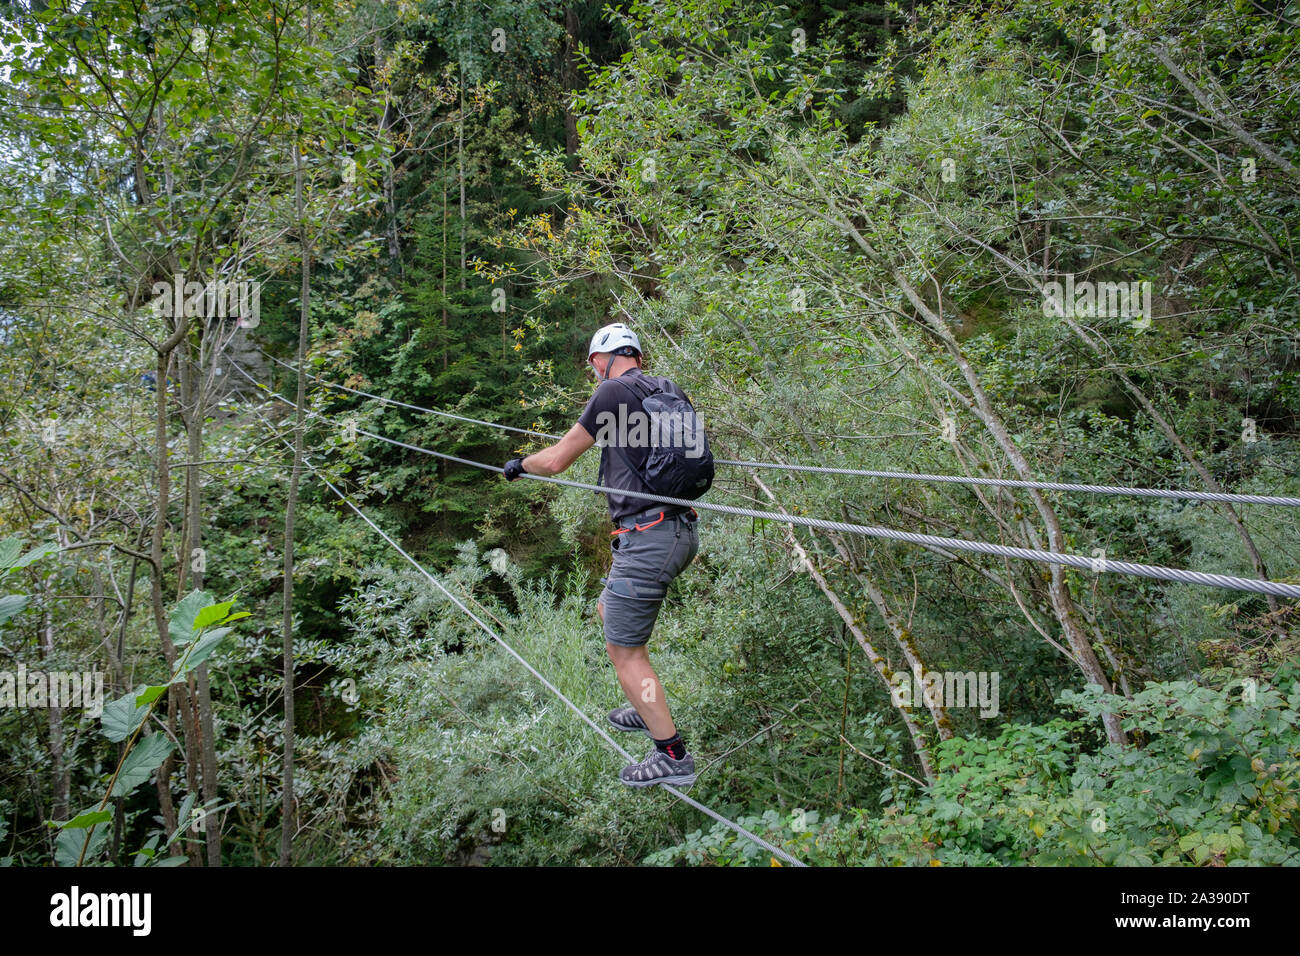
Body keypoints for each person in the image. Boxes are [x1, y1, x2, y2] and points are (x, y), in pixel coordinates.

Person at [502, 322, 700, 788]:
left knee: (624, 652)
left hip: (649, 535)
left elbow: (555, 461)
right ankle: (645, 703)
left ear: (602, 358)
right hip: (679, 530)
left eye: (592, 364)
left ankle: (671, 757)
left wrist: (518, 467)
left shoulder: (613, 391)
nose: (593, 373)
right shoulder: (667, 390)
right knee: (609, 609)